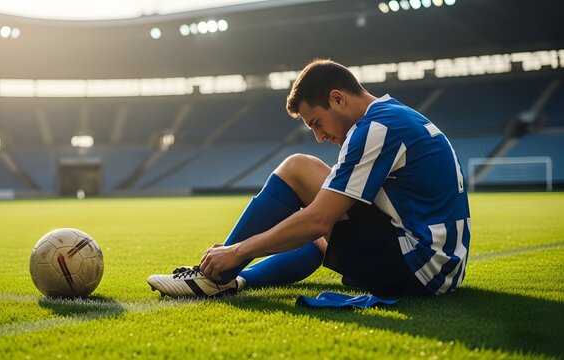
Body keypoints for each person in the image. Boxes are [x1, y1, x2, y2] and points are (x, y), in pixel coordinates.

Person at [147, 59, 471, 298]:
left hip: (418, 268)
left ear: (338, 99)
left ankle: (216, 276)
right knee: (315, 222)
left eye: (317, 122)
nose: (319, 136)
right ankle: (237, 280)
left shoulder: (375, 129)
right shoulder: (392, 116)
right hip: (440, 266)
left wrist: (238, 250)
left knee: (298, 170)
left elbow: (317, 221)